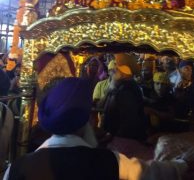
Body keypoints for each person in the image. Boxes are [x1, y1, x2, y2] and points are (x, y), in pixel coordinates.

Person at [4, 76, 177, 180]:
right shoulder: (110, 162)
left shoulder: (17, 168)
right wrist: (182, 164)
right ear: (87, 119)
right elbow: (155, 173)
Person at [102, 53, 147, 141]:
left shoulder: (126, 91)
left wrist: (113, 138)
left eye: (115, 70)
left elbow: (128, 124)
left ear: (123, 73)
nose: (113, 73)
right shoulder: (119, 88)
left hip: (122, 143)